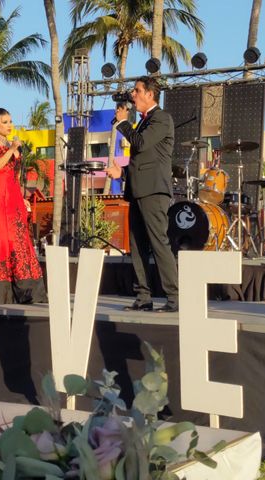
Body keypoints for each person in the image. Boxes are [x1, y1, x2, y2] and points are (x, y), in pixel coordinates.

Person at [105, 76, 179, 313]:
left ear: (150, 94)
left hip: (154, 191)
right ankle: (143, 296)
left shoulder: (161, 119)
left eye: (137, 91)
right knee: (136, 245)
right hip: (137, 189)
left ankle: (175, 297)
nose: (133, 95)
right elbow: (143, 160)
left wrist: (123, 123)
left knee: (159, 242)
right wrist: (122, 172)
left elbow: (141, 143)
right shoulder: (144, 122)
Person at [0, 106, 47, 304]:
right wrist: (12, 150)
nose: (9, 125)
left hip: (13, 193)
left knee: (18, 238)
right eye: (4, 122)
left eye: (10, 121)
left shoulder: (9, 143)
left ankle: (25, 290)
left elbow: (15, 174)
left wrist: (22, 196)